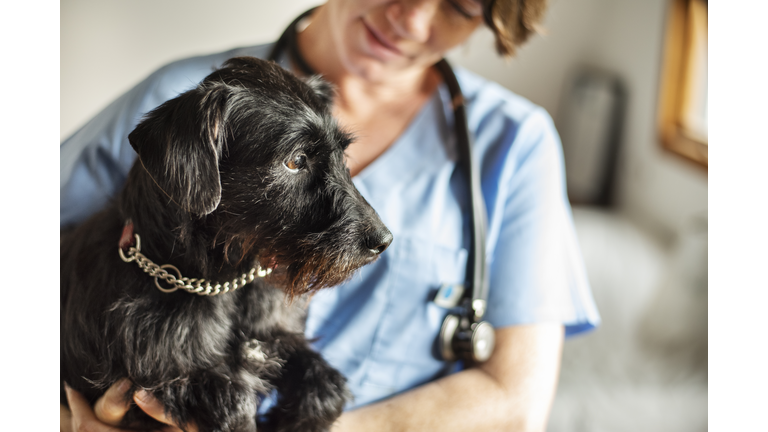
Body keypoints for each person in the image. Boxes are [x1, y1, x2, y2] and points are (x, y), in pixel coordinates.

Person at [60, 0, 600, 430]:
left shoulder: (514, 142)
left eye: (460, 5)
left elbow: (515, 402)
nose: (412, 18)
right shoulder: (180, 101)